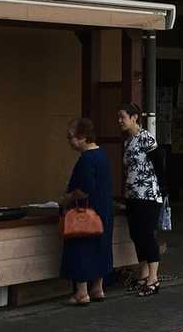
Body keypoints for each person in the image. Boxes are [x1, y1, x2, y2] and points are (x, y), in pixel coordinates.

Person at [60, 117, 113, 306]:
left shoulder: (86, 159)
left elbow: (84, 189)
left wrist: (67, 198)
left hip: (84, 213)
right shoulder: (103, 155)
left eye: (70, 137)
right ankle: (98, 288)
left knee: (80, 248)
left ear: (82, 137)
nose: (69, 141)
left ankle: (81, 293)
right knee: (101, 247)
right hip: (103, 210)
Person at [117, 104, 164, 296]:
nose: (119, 121)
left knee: (147, 234)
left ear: (134, 117)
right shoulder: (128, 142)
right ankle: (143, 275)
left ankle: (154, 278)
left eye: (122, 117)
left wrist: (163, 190)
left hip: (148, 195)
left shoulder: (146, 137)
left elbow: (159, 164)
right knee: (136, 235)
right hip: (133, 195)